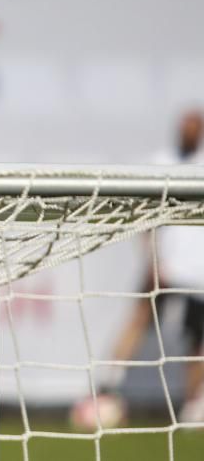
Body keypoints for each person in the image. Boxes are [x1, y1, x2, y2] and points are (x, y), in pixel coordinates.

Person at [97, 109, 204, 423]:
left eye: (193, 127)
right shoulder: (161, 164)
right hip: (165, 266)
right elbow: (145, 221)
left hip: (198, 272)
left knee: (198, 340)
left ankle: (192, 404)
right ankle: (107, 388)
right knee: (139, 321)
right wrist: (153, 259)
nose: (188, 133)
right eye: (184, 127)